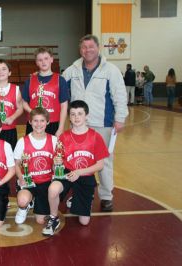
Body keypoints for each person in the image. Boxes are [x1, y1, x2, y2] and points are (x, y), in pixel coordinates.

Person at [63, 34, 128, 212]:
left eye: (91, 47)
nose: (87, 50)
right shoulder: (73, 69)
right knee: (77, 160)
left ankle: (106, 196)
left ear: (98, 48)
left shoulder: (111, 70)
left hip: (103, 123)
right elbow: (59, 85)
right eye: (84, 47)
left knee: (104, 161)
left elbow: (120, 95)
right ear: (80, 49)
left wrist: (120, 118)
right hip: (78, 124)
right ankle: (79, 192)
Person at [42, 100, 109, 236]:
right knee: (53, 188)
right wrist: (57, 162)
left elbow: (100, 165)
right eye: (72, 114)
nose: (76, 117)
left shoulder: (95, 137)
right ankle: (54, 218)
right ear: (69, 117)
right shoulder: (64, 137)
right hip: (68, 173)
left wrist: (79, 172)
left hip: (85, 174)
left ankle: (77, 198)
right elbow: (56, 166)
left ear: (86, 115)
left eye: (80, 114)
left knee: (84, 222)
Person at [13, 107, 57, 225]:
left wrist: (57, 171)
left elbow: (57, 164)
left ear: (47, 122)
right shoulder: (22, 141)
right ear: (30, 122)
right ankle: (24, 207)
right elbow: (16, 164)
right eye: (35, 120)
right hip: (29, 181)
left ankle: (36, 201)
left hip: (46, 182)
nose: (38, 124)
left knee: (41, 221)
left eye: (42, 121)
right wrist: (21, 177)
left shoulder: (54, 140)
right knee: (22, 200)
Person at [22, 47, 69, 137]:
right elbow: (24, 103)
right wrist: (33, 112)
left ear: (51, 59)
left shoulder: (60, 80)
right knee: (31, 150)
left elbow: (64, 106)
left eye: (46, 58)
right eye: (40, 60)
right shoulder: (30, 80)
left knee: (52, 150)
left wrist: (61, 128)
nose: (43, 62)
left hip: (53, 123)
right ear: (36, 62)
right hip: (34, 123)